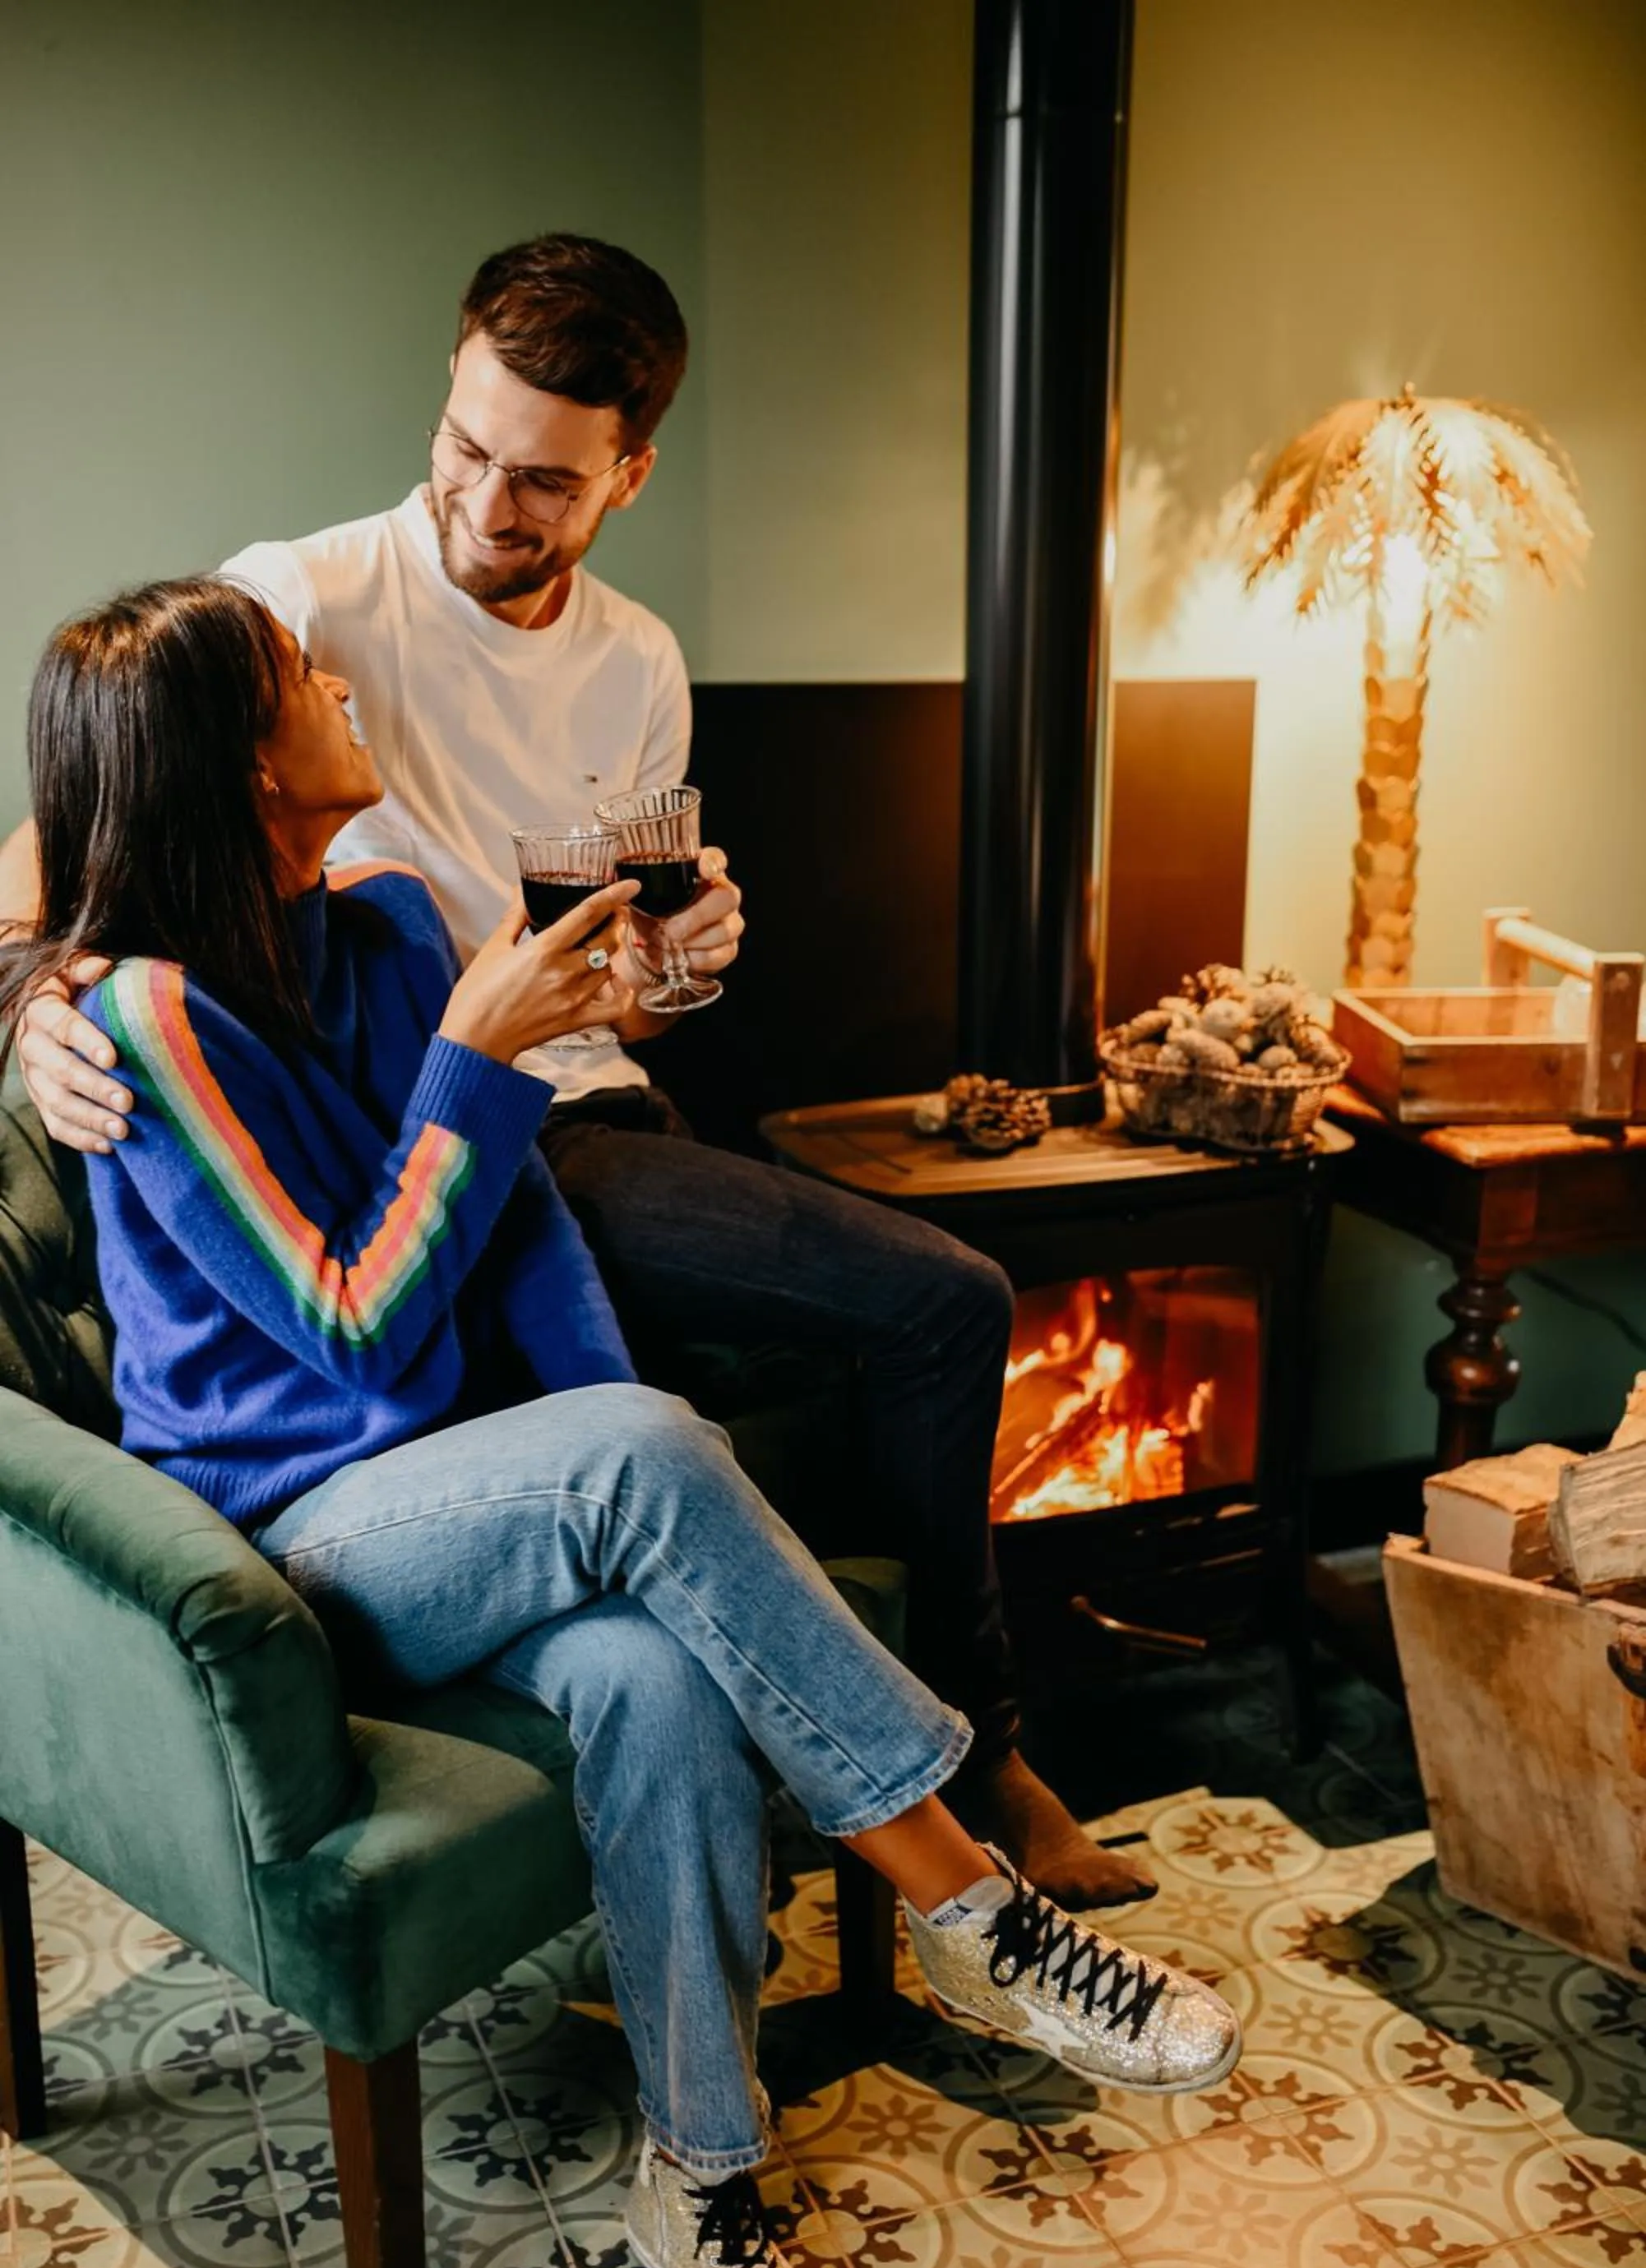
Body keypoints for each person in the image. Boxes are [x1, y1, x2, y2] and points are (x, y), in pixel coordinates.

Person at [0, 578, 1239, 2268]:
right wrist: (481, 1071)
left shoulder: (398, 924)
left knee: (656, 1681)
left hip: (484, 1494)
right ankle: (971, 1903)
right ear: (249, 761)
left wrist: (600, 1010)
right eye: (304, 684)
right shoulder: (152, 1020)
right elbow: (353, 1322)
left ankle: (700, 2176)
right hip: (300, 1541)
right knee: (646, 1454)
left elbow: (520, 1247)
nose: (342, 689)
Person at [0, 233, 1149, 1910]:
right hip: (455, 1128)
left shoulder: (637, 661)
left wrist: (676, 973)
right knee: (946, 1300)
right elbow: (84, 833)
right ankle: (981, 1767)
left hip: (606, 1099)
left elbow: (625, 987)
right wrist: (31, 989)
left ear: (629, 472)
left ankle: (730, 1817)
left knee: (850, 1351)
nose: (484, 505)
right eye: (464, 450)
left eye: (542, 480)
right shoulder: (298, 600)